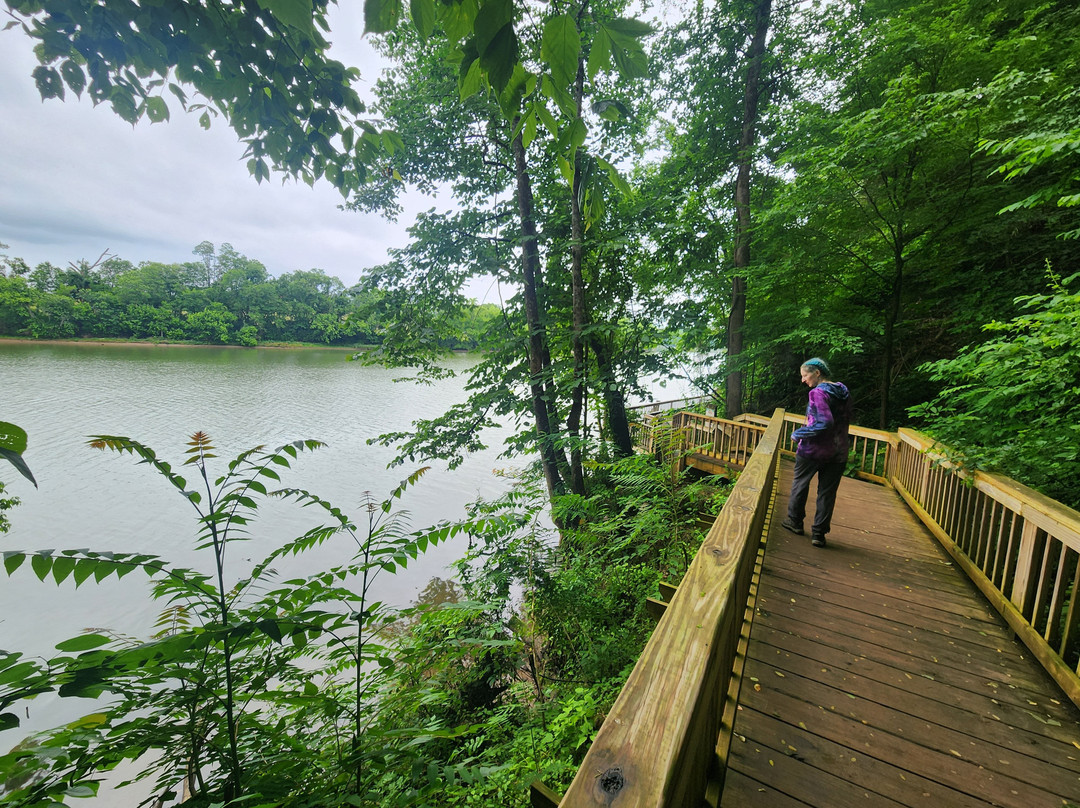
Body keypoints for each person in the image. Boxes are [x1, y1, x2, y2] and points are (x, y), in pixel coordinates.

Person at [781, 358, 852, 548]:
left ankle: (794, 522)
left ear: (817, 373)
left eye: (805, 375)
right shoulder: (843, 391)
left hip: (814, 450)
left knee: (800, 483)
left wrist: (798, 433)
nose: (803, 380)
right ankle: (819, 534)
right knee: (827, 493)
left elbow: (824, 422)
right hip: (839, 451)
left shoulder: (817, 393)